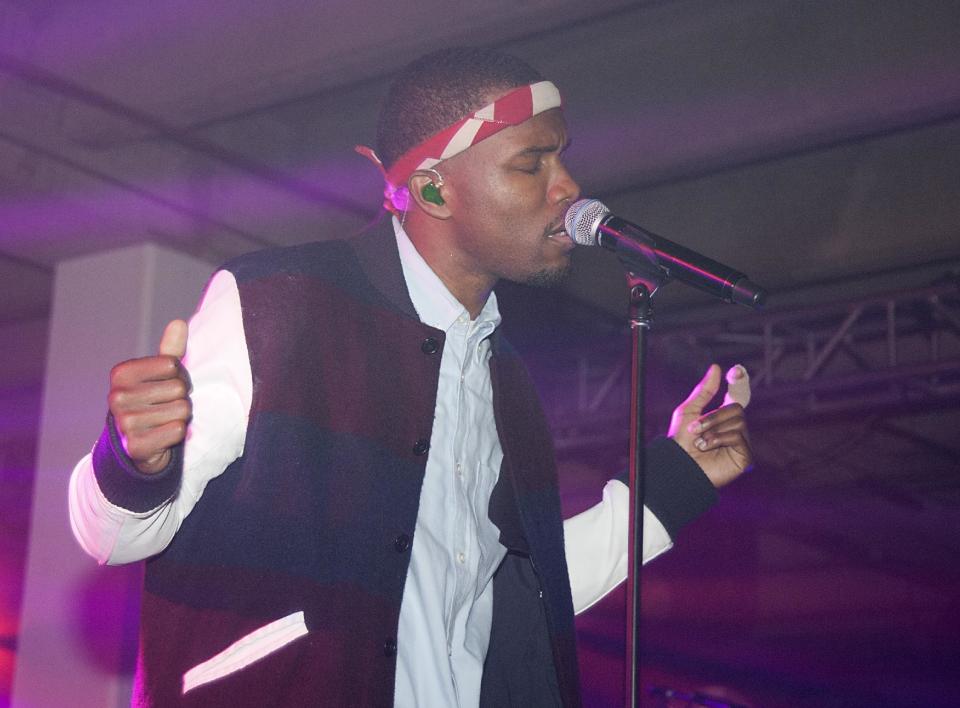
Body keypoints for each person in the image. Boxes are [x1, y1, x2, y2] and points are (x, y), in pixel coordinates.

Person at [68, 47, 751, 707]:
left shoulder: (503, 376)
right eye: (530, 164)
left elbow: (518, 596)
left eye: (562, 157)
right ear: (432, 188)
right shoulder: (281, 303)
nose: (569, 189)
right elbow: (115, 536)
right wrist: (134, 459)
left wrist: (677, 476)